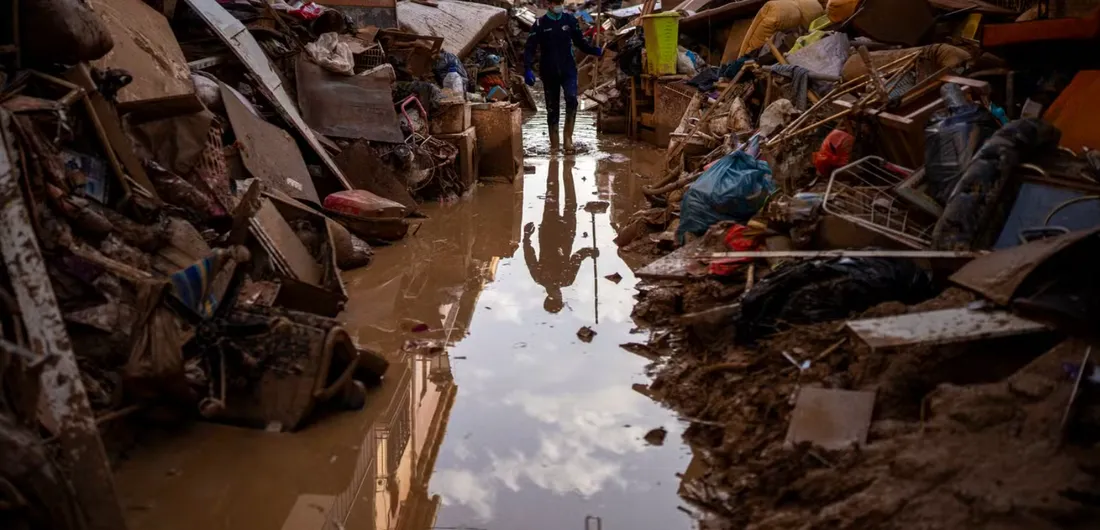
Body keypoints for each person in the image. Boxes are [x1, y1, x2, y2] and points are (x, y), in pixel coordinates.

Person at [523, 0, 603, 153]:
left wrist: (594, 51)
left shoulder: (570, 20)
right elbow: (529, 48)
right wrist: (527, 68)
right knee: (552, 108)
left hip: (568, 69)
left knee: (572, 100)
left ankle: (568, 139)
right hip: (549, 70)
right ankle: (554, 144)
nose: (558, 5)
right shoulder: (540, 24)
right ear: (549, 4)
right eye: (555, 2)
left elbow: (580, 42)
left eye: (560, 2)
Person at [523, 158, 599, 313]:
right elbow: (576, 258)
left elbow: (529, 255)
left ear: (551, 297)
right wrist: (589, 251)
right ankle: (563, 167)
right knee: (560, 196)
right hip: (561, 233)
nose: (558, 294)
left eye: (557, 298)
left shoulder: (546, 278)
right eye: (559, 297)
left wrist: (526, 237)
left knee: (555, 194)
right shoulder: (562, 280)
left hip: (553, 232)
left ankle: (559, 164)